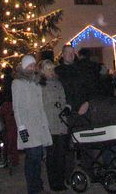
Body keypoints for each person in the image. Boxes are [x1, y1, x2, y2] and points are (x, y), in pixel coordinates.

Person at [13, 55, 52, 194]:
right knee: (33, 156)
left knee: (38, 156)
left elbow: (40, 106)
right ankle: (33, 187)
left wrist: (45, 123)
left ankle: (38, 184)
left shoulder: (36, 83)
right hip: (28, 125)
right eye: (29, 65)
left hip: (39, 124)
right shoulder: (17, 83)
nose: (32, 68)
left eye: (33, 65)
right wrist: (21, 126)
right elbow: (17, 107)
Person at [39, 59, 68, 192]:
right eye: (48, 70)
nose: (51, 72)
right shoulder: (40, 86)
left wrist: (66, 107)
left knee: (61, 154)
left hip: (61, 123)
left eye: (52, 69)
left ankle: (61, 180)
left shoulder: (58, 83)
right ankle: (53, 182)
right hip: (49, 123)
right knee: (51, 155)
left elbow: (64, 98)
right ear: (43, 71)